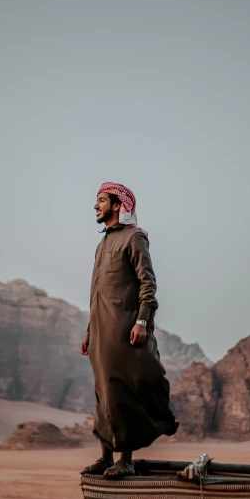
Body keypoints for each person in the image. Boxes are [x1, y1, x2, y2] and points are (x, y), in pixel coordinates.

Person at [81, 181, 178, 479]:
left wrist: (142, 321)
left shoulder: (134, 238)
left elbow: (148, 284)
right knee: (103, 393)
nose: (95, 206)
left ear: (117, 205)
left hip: (124, 331)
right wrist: (89, 331)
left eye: (100, 200)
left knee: (123, 392)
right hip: (101, 333)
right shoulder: (103, 243)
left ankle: (126, 460)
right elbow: (97, 293)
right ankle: (105, 456)